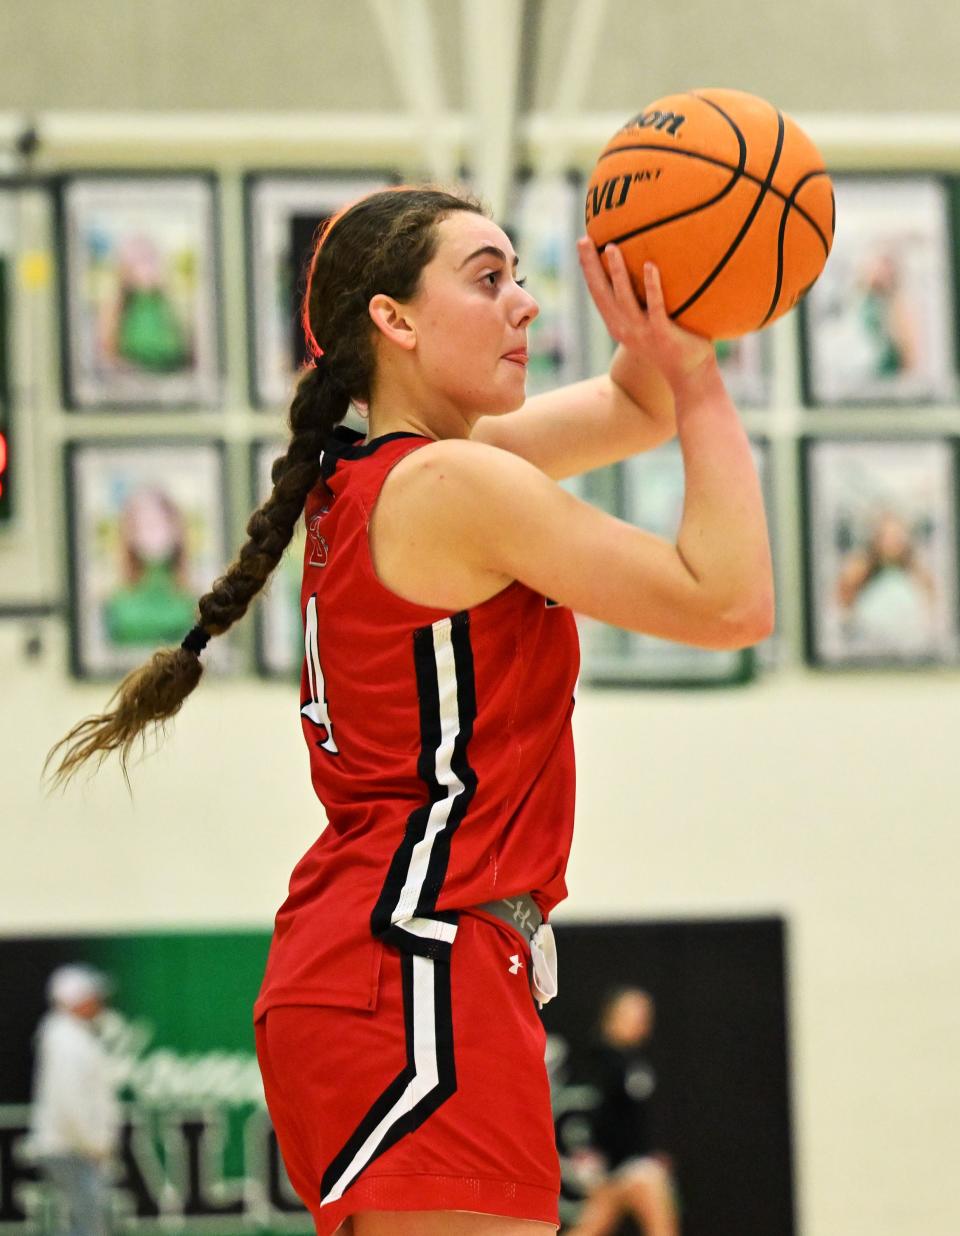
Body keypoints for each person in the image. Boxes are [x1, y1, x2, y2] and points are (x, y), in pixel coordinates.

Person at [48, 186, 773, 1235]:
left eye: (523, 276)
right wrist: (702, 380)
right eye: (489, 279)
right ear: (394, 319)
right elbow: (731, 599)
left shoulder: (410, 477)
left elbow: (635, 409)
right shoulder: (453, 489)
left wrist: (674, 311)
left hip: (396, 959)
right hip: (416, 962)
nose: (525, 304)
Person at [566, 989, 679, 1236]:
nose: (641, 1022)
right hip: (618, 1167)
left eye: (645, 1015)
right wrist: (595, 1158)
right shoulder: (599, 1058)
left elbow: (633, 1118)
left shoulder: (632, 1060)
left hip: (628, 1166)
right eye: (634, 1013)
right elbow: (594, 1112)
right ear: (614, 1014)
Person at [30, 965, 120, 1236]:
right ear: (75, 1000)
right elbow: (71, 1102)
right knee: (88, 1227)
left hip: (73, 1147)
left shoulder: (70, 1036)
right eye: (92, 996)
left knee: (86, 1223)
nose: (99, 1002)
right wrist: (94, 1143)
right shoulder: (66, 1041)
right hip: (71, 1148)